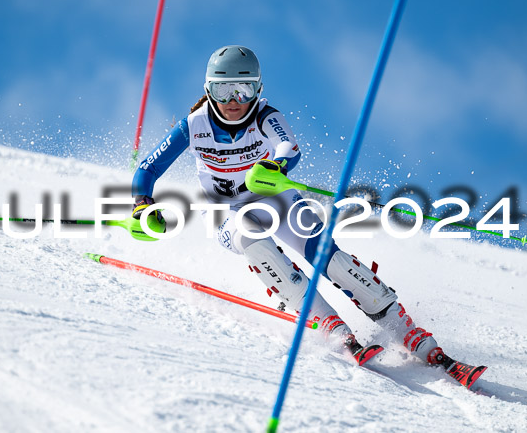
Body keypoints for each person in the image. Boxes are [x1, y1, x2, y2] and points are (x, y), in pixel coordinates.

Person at [131, 45, 463, 371]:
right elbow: (148, 169)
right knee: (254, 241)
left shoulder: (265, 116)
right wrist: (142, 204)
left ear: (257, 90)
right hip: (225, 212)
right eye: (223, 90)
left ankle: (404, 327)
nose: (233, 102)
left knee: (327, 256)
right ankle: (329, 324)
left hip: (275, 198)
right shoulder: (194, 124)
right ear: (209, 90)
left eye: (243, 90)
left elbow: (289, 147)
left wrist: (276, 166)